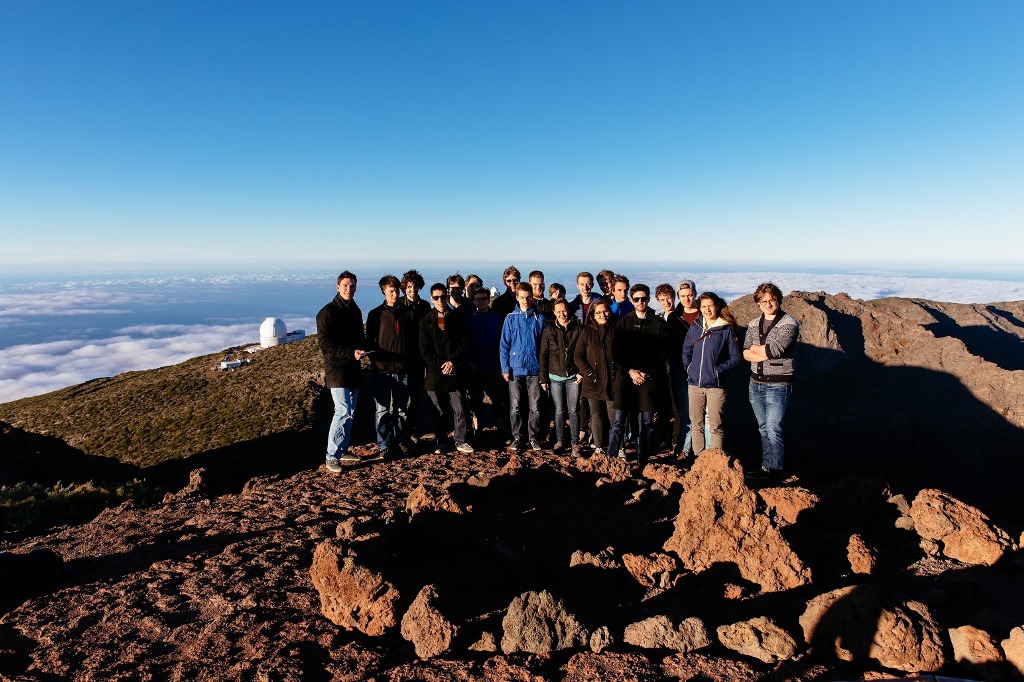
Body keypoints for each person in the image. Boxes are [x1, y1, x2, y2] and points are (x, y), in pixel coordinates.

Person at [742, 283, 799, 481]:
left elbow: (775, 350)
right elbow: (745, 352)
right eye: (763, 301)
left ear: (778, 300)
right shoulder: (753, 323)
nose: (768, 304)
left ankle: (776, 470)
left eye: (772, 300)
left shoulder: (789, 323)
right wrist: (761, 352)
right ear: (758, 304)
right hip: (755, 383)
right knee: (763, 427)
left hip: (778, 385)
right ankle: (766, 467)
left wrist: (758, 351)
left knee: (774, 428)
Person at [607, 284, 666, 466]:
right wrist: (631, 371)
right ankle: (610, 460)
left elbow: (662, 353)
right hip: (626, 380)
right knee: (618, 422)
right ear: (631, 301)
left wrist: (647, 372)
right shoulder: (623, 323)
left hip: (647, 381)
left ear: (649, 299)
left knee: (646, 423)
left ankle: (643, 461)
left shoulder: (658, 324)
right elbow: (616, 352)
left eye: (644, 298)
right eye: (637, 299)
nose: (641, 302)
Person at [316, 271, 369, 472]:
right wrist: (350, 353)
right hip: (337, 370)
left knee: (351, 411)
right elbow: (325, 344)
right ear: (338, 287)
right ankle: (331, 456)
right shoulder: (327, 313)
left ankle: (342, 449)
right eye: (346, 285)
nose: (349, 289)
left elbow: (357, 336)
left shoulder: (354, 310)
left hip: (353, 368)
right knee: (343, 411)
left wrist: (362, 349)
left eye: (353, 286)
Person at [681, 292, 741, 455]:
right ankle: (699, 461)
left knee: (715, 426)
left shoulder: (725, 329)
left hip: (716, 385)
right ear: (700, 308)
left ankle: (715, 462)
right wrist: (689, 368)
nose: (707, 309)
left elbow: (735, 357)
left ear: (717, 306)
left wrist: (717, 371)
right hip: (694, 384)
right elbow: (686, 350)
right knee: (696, 424)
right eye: (704, 306)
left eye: (710, 305)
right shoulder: (696, 327)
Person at [419, 283, 474, 454]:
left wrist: (452, 362)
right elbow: (425, 350)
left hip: (455, 371)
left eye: (443, 296)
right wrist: (442, 365)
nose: (440, 300)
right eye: (436, 297)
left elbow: (465, 343)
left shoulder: (457, 319)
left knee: (460, 409)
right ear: (431, 299)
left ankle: (460, 440)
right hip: (436, 374)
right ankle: (441, 441)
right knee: (439, 411)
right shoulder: (425, 321)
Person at [365, 274, 414, 459]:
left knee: (402, 409)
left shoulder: (408, 314)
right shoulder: (375, 314)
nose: (395, 294)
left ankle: (401, 440)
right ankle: (384, 445)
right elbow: (369, 342)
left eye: (396, 291)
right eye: (391, 291)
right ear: (383, 292)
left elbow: (412, 341)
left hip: (403, 369)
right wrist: (375, 362)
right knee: (382, 409)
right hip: (381, 370)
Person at [499, 282, 545, 453]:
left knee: (535, 406)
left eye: (528, 297)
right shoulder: (510, 318)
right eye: (522, 297)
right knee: (516, 405)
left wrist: (543, 370)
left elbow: (544, 347)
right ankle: (518, 437)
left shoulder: (539, 319)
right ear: (517, 297)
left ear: (532, 297)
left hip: (534, 368)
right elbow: (504, 345)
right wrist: (505, 368)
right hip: (515, 368)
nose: (526, 300)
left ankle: (534, 437)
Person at [465, 284, 512, 442]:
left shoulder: (497, 318)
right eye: (478, 299)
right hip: (475, 367)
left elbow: (504, 342)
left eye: (484, 299)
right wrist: (469, 362)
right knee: (476, 401)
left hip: (494, 366)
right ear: (474, 301)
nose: (481, 302)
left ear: (488, 300)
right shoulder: (469, 320)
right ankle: (478, 431)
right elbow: (466, 344)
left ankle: (501, 430)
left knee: (498, 400)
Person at [540, 298, 584, 455]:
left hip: (573, 376)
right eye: (558, 311)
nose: (562, 314)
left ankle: (575, 443)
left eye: (564, 310)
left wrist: (581, 372)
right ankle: (560, 441)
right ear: (553, 312)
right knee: (559, 410)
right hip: (554, 377)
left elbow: (583, 352)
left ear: (569, 310)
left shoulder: (578, 327)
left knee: (574, 410)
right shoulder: (549, 330)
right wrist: (543, 378)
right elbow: (544, 355)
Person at [574, 299, 616, 455]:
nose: (602, 315)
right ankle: (598, 447)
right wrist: (589, 373)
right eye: (598, 312)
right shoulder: (587, 331)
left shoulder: (615, 329)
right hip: (593, 382)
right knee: (596, 416)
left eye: (605, 311)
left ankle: (617, 447)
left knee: (614, 417)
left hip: (612, 381)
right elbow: (578, 355)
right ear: (592, 314)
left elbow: (622, 354)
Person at [655, 283, 689, 457]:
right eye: (662, 299)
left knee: (678, 406)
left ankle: (677, 441)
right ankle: (664, 439)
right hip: (661, 368)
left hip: (678, 366)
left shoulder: (682, 317)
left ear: (673, 297)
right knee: (663, 406)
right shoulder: (658, 318)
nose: (666, 302)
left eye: (668, 298)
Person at [400, 269, 431, 445]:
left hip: (420, 359)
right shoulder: (398, 306)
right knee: (401, 399)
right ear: (405, 288)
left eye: (415, 286)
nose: (412, 289)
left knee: (416, 397)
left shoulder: (425, 307)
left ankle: (412, 430)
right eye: (409, 286)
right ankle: (401, 432)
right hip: (402, 359)